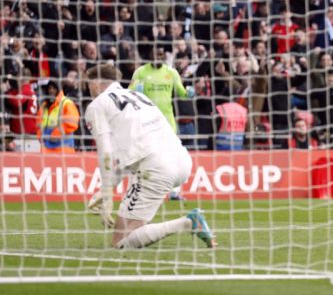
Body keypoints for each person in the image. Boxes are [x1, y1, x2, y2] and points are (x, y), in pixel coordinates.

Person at [84, 63, 214, 249]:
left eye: (89, 84)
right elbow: (132, 153)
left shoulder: (97, 106)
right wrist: (109, 186)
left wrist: (107, 195)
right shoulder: (137, 96)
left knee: (120, 243)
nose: (88, 89)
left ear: (96, 83)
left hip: (156, 167)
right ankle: (186, 222)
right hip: (181, 159)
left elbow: (106, 152)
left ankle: (187, 222)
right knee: (127, 230)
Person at [130, 48, 194, 200]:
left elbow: (181, 93)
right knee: (147, 157)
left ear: (164, 56)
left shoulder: (171, 72)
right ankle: (142, 190)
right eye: (154, 54)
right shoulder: (140, 72)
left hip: (168, 122)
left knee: (173, 156)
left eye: (160, 54)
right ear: (150, 56)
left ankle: (174, 192)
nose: (157, 56)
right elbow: (129, 92)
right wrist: (135, 90)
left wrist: (189, 93)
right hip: (146, 122)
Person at [36, 79, 80, 153]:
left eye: (54, 88)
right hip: (46, 148)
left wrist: (55, 135)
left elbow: (71, 123)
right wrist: (40, 136)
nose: (51, 91)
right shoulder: (44, 106)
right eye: (49, 88)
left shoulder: (66, 103)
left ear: (58, 89)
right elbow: (38, 124)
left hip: (63, 147)